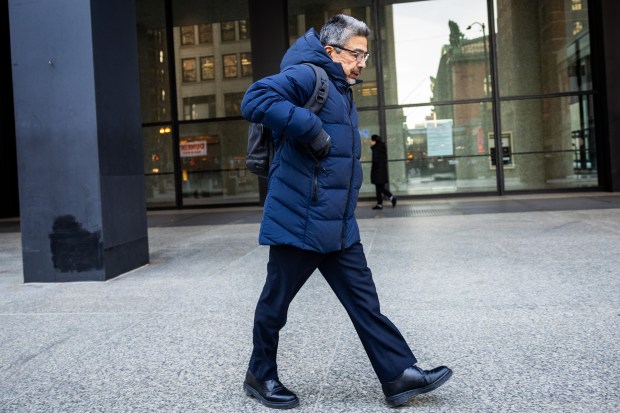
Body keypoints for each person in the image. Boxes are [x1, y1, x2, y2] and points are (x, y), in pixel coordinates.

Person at [240, 14, 452, 409]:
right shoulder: (309, 74)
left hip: (337, 226)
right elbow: (254, 99)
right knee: (276, 303)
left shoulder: (340, 88)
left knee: (365, 303)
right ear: (331, 51)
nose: (361, 63)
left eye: (365, 56)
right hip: (300, 219)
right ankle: (260, 374)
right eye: (357, 54)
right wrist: (311, 129)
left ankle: (398, 375)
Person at [370, 134, 397, 210]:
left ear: (374, 141)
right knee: (380, 188)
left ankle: (390, 198)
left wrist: (373, 172)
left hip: (377, 172)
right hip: (382, 172)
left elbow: (375, 161)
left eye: (371, 140)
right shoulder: (382, 148)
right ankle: (380, 203)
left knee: (379, 188)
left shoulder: (376, 149)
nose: (370, 142)